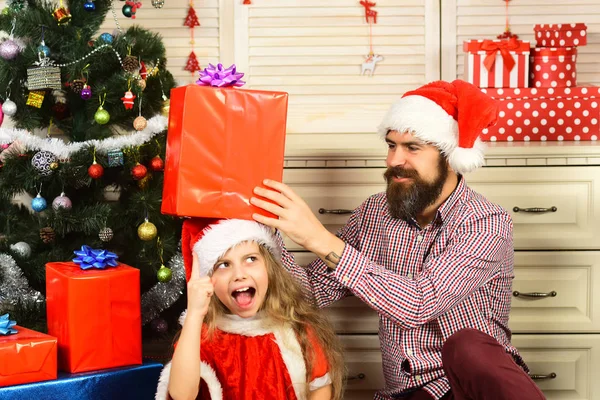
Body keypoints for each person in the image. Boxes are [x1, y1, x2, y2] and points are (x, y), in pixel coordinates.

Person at [249, 80, 546, 400]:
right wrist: (270, 234)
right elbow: (311, 294)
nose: (394, 160)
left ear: (449, 156)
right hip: (410, 393)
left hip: (466, 387)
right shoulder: (374, 212)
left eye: (412, 148)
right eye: (392, 145)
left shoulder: (486, 223)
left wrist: (318, 238)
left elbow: (419, 303)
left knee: (467, 345)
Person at [155, 218, 345, 400]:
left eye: (250, 259)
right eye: (224, 264)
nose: (239, 274)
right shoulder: (202, 337)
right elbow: (182, 395)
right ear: (209, 280)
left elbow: (320, 390)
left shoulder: (298, 331)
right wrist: (194, 315)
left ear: (270, 269)